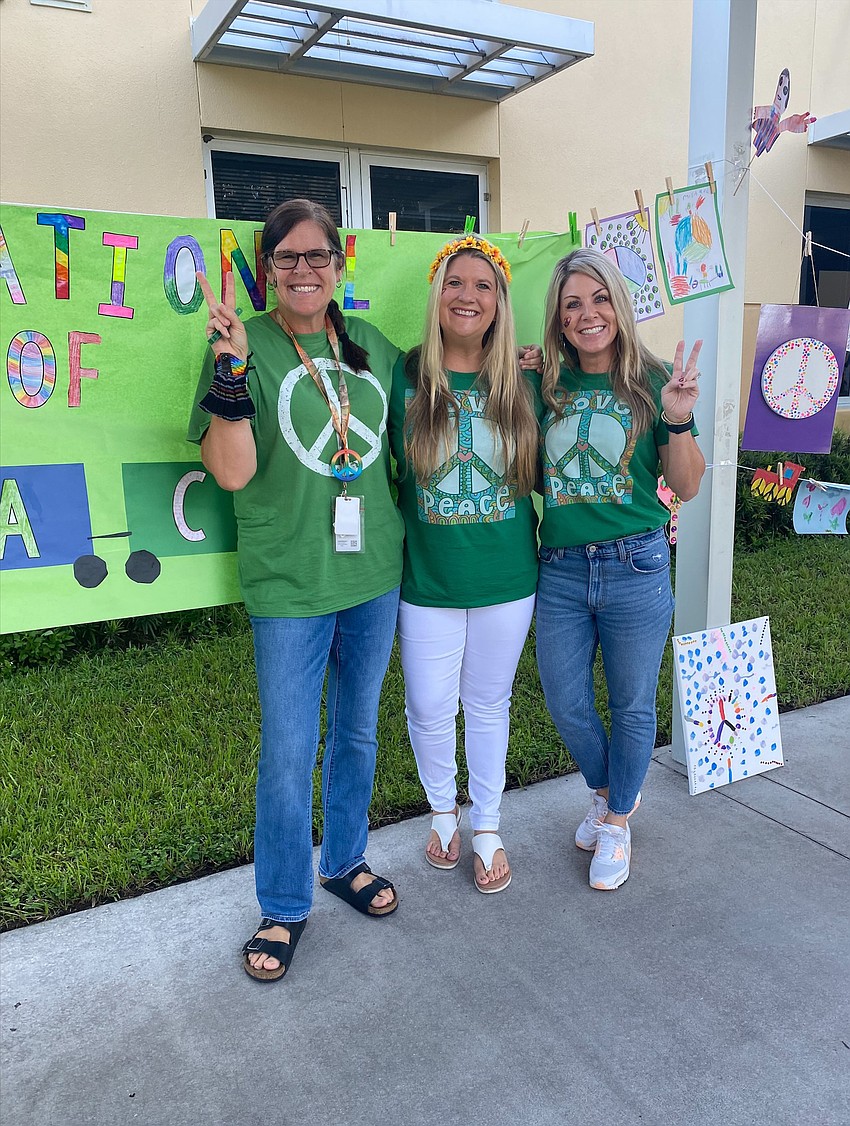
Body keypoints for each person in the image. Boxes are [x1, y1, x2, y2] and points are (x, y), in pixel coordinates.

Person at [188, 199, 404, 982]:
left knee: (355, 733)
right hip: (288, 581)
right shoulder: (240, 344)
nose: (303, 271)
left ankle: (344, 861)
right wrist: (231, 373)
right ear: (267, 269)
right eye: (287, 259)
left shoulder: (371, 346)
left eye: (317, 257)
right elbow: (233, 471)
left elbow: (424, 427)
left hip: (375, 573)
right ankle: (282, 905)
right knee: (287, 753)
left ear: (339, 262)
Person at [535, 248, 705, 891]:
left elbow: (686, 485)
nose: (588, 314)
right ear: (558, 316)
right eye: (573, 303)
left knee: (632, 705)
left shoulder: (653, 379)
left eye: (599, 298)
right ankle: (613, 797)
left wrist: (679, 415)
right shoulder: (542, 380)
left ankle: (617, 823)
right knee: (566, 699)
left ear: (620, 305)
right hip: (561, 569)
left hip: (636, 563)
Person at [388, 236, 541, 894]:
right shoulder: (403, 373)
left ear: (500, 302)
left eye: (483, 285)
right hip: (427, 577)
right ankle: (442, 812)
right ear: (437, 294)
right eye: (456, 283)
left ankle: (487, 827)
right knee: (426, 705)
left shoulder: (526, 379)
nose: (468, 295)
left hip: (507, 576)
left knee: (486, 703)